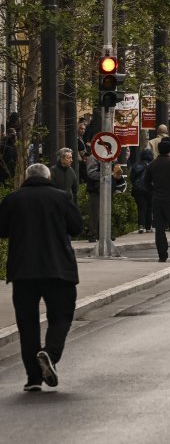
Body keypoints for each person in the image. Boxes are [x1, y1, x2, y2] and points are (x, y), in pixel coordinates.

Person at [0, 163, 84, 392]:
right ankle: (50, 353)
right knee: (61, 317)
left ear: (26, 178)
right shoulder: (62, 197)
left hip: (23, 271)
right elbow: (77, 227)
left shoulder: (13, 200)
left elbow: (2, 230)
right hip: (59, 269)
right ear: (49, 177)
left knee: (27, 325)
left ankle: (34, 379)